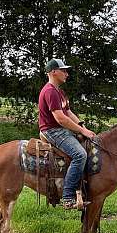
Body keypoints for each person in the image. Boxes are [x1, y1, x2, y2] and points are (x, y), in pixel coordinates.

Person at [38, 58, 96, 209]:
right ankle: (68, 196)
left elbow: (68, 112)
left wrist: (83, 126)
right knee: (80, 155)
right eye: (63, 70)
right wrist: (82, 131)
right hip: (52, 130)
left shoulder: (60, 92)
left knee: (87, 143)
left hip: (61, 129)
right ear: (53, 72)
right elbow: (60, 118)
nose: (66, 74)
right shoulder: (50, 91)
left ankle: (83, 188)